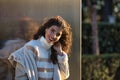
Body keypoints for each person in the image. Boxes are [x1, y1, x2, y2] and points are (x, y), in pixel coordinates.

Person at [8, 16, 72, 80]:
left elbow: (64, 75)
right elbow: (20, 76)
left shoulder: (55, 51)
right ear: (46, 29)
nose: (54, 36)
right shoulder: (31, 47)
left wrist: (60, 53)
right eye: (52, 30)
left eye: (58, 34)